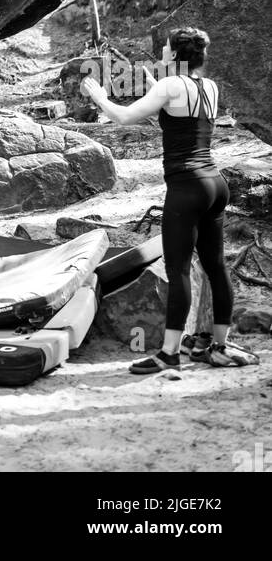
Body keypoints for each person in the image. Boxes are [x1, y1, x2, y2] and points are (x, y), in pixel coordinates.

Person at [80, 26, 259, 374]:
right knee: (216, 266)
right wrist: (153, 88)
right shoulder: (209, 87)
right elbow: (181, 124)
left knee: (177, 270)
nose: (161, 54)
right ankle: (218, 347)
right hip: (214, 184)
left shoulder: (168, 86)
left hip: (186, 188)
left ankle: (169, 353)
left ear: (174, 55)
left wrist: (99, 96)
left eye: (165, 49)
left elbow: (123, 117)